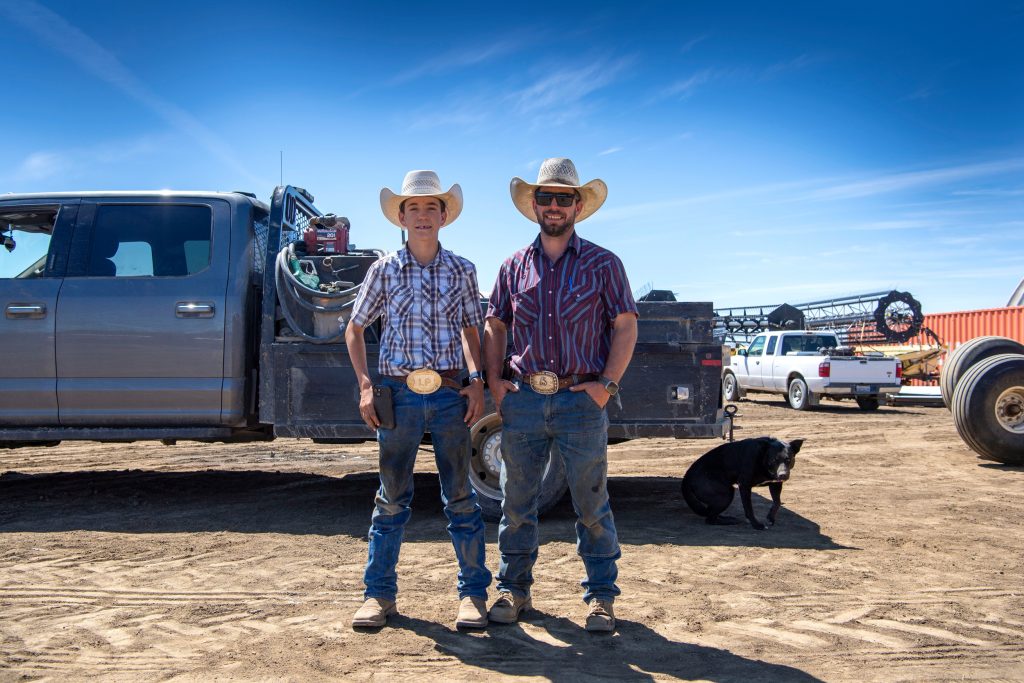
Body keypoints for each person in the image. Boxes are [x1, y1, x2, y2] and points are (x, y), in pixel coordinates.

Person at [483, 157, 639, 632]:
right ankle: (514, 588)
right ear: (533, 204)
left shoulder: (604, 264)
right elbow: (495, 323)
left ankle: (600, 598)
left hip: (579, 401)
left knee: (591, 504)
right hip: (525, 400)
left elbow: (626, 326)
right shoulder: (513, 267)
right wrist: (494, 382)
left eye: (563, 198)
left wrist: (606, 386)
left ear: (577, 205)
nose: (553, 206)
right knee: (516, 502)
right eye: (545, 197)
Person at [345, 170, 491, 629]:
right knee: (391, 499)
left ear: (444, 216)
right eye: (414, 209)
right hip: (398, 395)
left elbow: (472, 329)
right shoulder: (383, 270)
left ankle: (472, 597)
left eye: (432, 208)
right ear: (402, 218)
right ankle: (378, 596)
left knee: (462, 498)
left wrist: (477, 381)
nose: (423, 216)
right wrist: (367, 386)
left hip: (449, 396)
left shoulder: (463, 270)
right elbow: (354, 328)